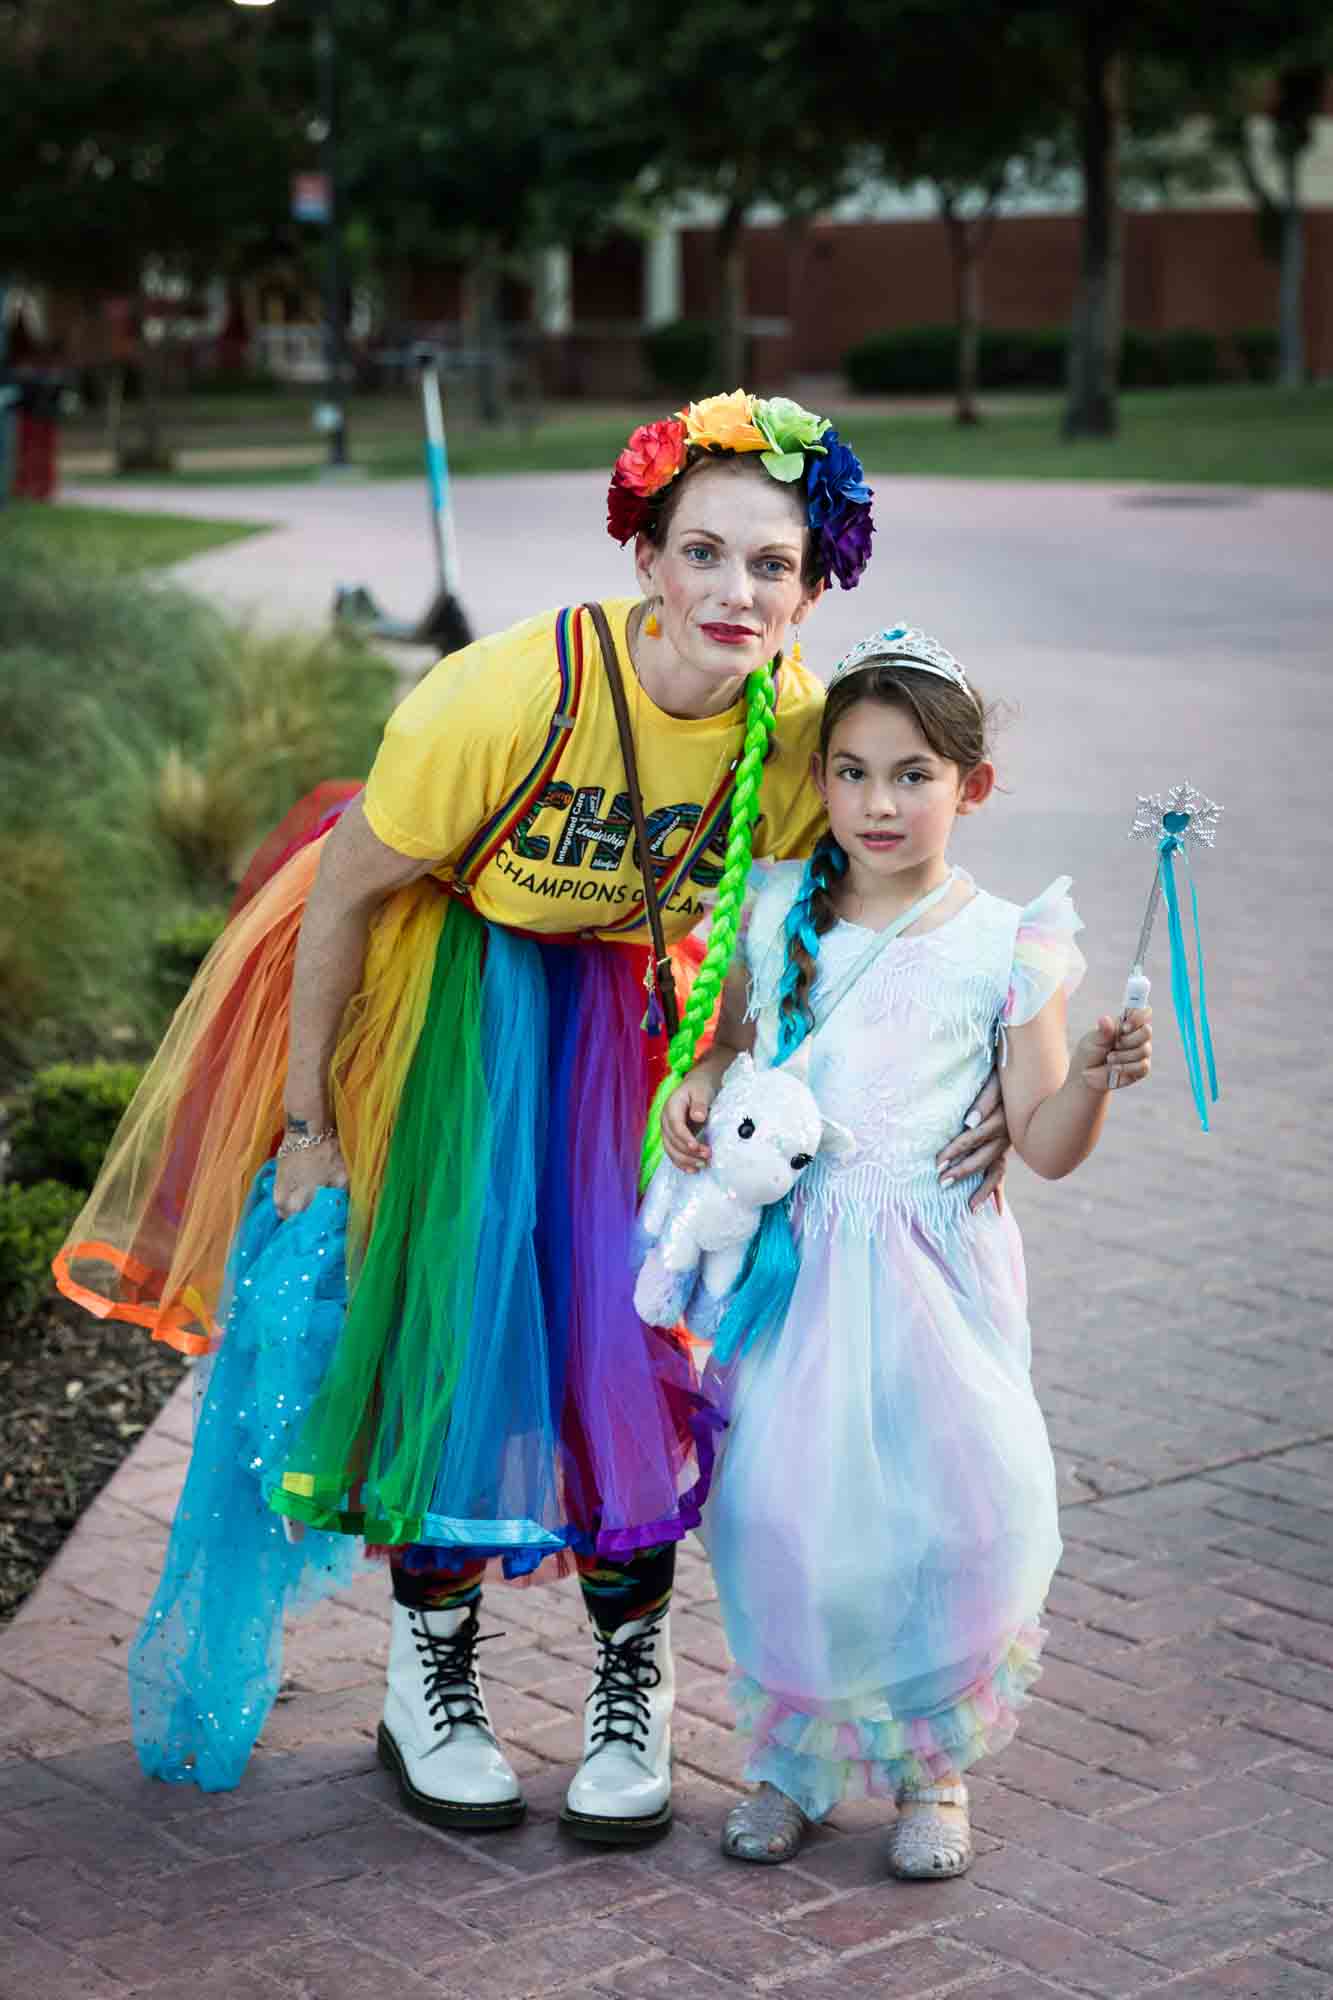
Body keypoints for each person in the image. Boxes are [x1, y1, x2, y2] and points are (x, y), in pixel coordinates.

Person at [54, 396, 1008, 1846]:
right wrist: (308, 1125)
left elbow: (840, 911)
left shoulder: (806, 728)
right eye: (702, 552)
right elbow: (340, 895)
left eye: (771, 565)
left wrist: (983, 1061)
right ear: (647, 558)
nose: (733, 592)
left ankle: (636, 1670)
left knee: (634, 1334)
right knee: (456, 1326)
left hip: (635, 1025)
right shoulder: (503, 696)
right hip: (452, 1007)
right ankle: (426, 1676)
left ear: (813, 587)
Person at [658, 625, 1152, 1875]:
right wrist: (701, 1081)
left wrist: (1088, 1074)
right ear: (818, 777)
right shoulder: (772, 910)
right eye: (854, 771)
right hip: (799, 1271)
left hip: (934, 1276)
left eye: (914, 774)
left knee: (943, 1516)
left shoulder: (1006, 943)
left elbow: (1040, 1141)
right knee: (784, 1513)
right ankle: (794, 1761)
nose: (879, 802)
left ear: (971, 786)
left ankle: (932, 1770)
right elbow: (727, 1048)